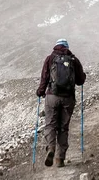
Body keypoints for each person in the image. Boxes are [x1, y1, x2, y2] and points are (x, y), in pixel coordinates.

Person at [36, 38, 86, 167]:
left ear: (56, 46)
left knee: (50, 124)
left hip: (52, 96)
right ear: (67, 47)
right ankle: (60, 159)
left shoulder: (50, 58)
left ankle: (51, 148)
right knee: (63, 128)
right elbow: (80, 81)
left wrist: (40, 92)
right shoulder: (73, 59)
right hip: (68, 98)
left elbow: (44, 77)